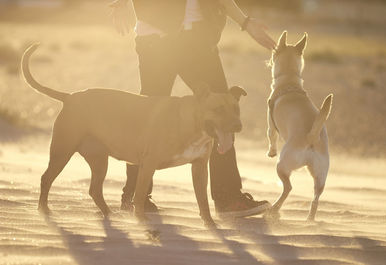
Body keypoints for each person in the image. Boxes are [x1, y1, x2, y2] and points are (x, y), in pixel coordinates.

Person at [110, 0, 276, 218]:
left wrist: (245, 22)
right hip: (157, 39)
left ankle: (228, 198)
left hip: (197, 38)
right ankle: (133, 196)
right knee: (149, 117)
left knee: (222, 110)